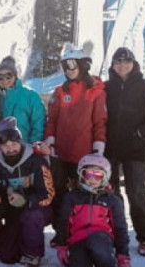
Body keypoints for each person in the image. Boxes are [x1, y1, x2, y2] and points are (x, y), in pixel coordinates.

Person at [104, 47, 145, 257]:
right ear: (112, 65)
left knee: (137, 192)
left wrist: (141, 133)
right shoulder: (105, 88)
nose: (122, 66)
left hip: (136, 149)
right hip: (110, 148)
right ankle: (112, 232)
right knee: (111, 193)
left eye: (126, 61)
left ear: (133, 63)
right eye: (118, 62)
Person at [0, 118, 55, 267]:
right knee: (7, 256)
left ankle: (32, 254)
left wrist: (27, 201)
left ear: (20, 143)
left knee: (31, 216)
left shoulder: (36, 161)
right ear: (0, 147)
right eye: (6, 146)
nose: (10, 149)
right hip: (14, 212)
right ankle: (17, 242)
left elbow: (48, 194)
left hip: (38, 209)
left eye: (14, 144)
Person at [52, 154, 131, 267]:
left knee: (96, 241)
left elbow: (120, 228)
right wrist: (62, 246)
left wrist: (123, 256)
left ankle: (106, 263)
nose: (92, 179)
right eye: (88, 174)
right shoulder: (72, 197)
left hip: (101, 238)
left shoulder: (112, 200)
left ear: (106, 177)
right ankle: (87, 262)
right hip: (79, 239)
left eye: (98, 175)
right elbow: (63, 222)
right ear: (81, 175)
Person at [42, 44, 107, 196]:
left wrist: (98, 149)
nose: (68, 70)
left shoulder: (95, 91)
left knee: (82, 194)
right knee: (59, 193)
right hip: (61, 154)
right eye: (65, 65)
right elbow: (52, 119)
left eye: (72, 65)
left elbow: (100, 122)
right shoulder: (60, 91)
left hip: (84, 155)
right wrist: (50, 142)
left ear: (83, 65)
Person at [0, 56, 45, 144]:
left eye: (8, 76)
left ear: (15, 75)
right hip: (2, 147)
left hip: (25, 148)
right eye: (0, 76)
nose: (4, 80)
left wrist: (33, 146)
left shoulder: (30, 96)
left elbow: (38, 124)